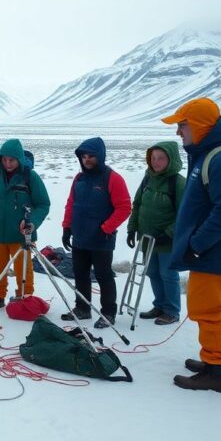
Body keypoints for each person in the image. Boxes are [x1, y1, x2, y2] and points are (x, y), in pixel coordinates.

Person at [163, 97, 221, 395]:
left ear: (199, 126)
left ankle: (217, 372)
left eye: (183, 125)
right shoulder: (212, 155)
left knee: (205, 308)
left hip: (215, 252)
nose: (179, 133)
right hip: (218, 251)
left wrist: (197, 244)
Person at [60, 137, 131, 329]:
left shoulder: (112, 178)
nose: (87, 160)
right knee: (80, 274)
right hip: (80, 237)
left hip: (101, 240)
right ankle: (82, 308)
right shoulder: (79, 179)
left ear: (100, 156)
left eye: (91, 156)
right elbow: (71, 204)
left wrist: (105, 228)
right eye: (84, 156)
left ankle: (108, 313)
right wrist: (67, 228)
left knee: (103, 276)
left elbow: (124, 207)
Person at [0, 139, 50, 308]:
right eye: (4, 160)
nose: (8, 163)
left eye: (12, 160)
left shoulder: (30, 177)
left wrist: (31, 223)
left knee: (23, 268)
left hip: (21, 236)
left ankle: (25, 297)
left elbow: (43, 204)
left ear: (19, 159)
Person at [126, 141, 186, 325]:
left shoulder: (178, 182)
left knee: (168, 274)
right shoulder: (148, 178)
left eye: (161, 158)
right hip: (148, 238)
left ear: (171, 159)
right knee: (152, 272)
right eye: (153, 158)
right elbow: (138, 204)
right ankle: (159, 305)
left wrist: (169, 233)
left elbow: (185, 214)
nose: (156, 162)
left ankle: (172, 310)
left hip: (167, 240)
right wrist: (132, 228)